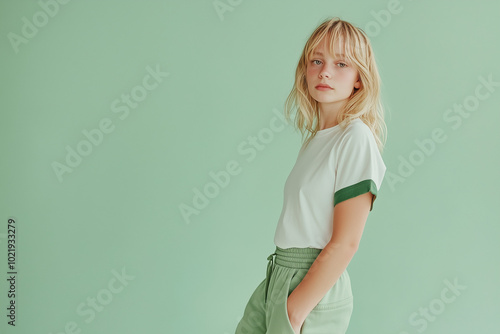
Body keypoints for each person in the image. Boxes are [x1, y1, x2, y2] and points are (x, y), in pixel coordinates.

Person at [235, 16, 387, 334]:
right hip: (278, 275)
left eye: (341, 63)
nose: (325, 71)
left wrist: (293, 311)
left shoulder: (356, 138)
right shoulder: (317, 140)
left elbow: (346, 242)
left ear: (360, 78)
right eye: (316, 60)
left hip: (311, 285)